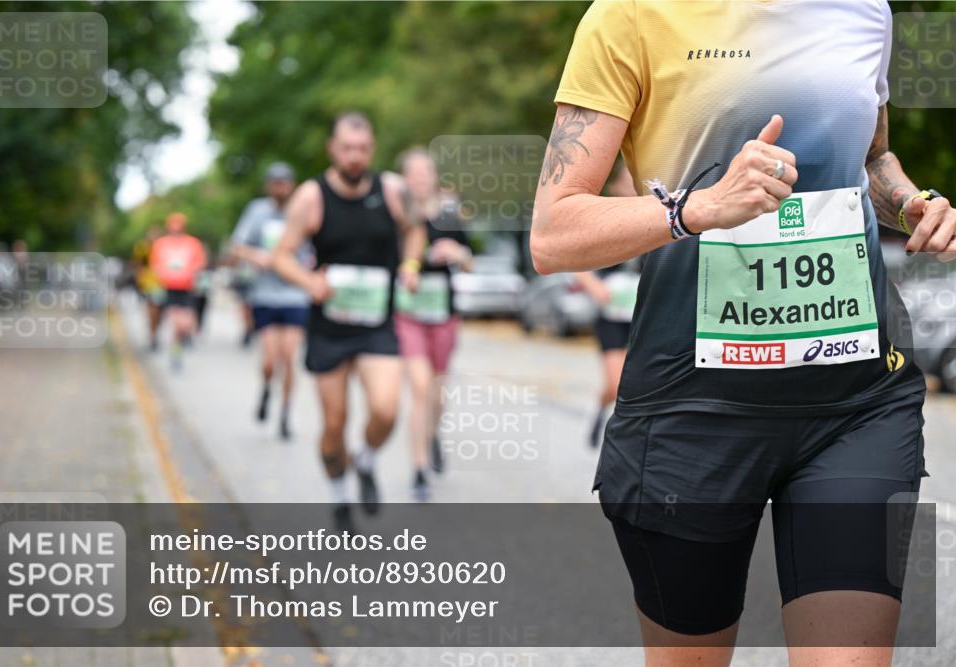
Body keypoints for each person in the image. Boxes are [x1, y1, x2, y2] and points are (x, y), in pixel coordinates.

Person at [531, 1, 955, 664]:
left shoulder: (865, 8)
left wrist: (909, 201)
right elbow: (553, 233)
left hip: (856, 401)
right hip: (692, 406)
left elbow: (870, 158)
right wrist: (699, 209)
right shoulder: (630, 15)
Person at [274, 112, 427, 531]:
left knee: (386, 409)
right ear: (332, 149)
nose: (355, 157)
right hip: (330, 327)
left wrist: (411, 264)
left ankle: (366, 459)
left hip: (377, 324)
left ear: (371, 149)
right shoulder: (312, 197)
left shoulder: (393, 190)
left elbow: (416, 230)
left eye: (362, 149)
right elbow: (281, 256)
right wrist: (309, 282)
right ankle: (340, 497)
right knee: (335, 422)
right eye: (347, 148)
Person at [395, 148, 473, 500]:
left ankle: (433, 434)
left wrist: (456, 254)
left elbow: (470, 260)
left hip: (443, 313)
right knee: (421, 388)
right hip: (407, 313)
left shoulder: (449, 215)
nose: (419, 180)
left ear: (434, 177)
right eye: (412, 174)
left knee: (437, 393)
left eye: (424, 173)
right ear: (403, 180)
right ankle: (419, 469)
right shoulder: (396, 215)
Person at [230, 162, 310, 441]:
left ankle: (285, 413)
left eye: (285, 182)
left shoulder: (302, 211)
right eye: (275, 182)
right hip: (264, 294)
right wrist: (259, 257)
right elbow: (237, 246)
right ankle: (266, 388)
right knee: (269, 359)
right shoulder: (257, 211)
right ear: (268, 186)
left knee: (290, 357)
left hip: (295, 295)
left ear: (291, 184)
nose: (280, 187)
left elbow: (316, 249)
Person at [573, 164, 638, 448]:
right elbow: (577, 261)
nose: (632, 187)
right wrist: (593, 286)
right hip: (612, 316)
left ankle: (627, 437)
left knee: (636, 384)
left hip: (643, 316)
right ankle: (599, 410)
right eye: (627, 181)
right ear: (616, 187)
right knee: (616, 384)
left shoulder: (660, 215)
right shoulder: (604, 220)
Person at [150, 212, 207, 371]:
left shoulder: (192, 243)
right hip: (169, 288)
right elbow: (155, 266)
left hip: (187, 289)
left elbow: (200, 263)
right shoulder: (160, 244)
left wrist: (190, 271)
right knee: (175, 324)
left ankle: (181, 342)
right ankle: (175, 353)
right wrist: (164, 273)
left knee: (185, 324)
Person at [132, 225, 164, 350]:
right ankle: (152, 335)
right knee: (153, 309)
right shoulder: (142, 247)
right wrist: (139, 280)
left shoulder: (164, 247)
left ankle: (154, 332)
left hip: (165, 282)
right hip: (150, 283)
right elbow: (138, 264)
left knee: (160, 312)